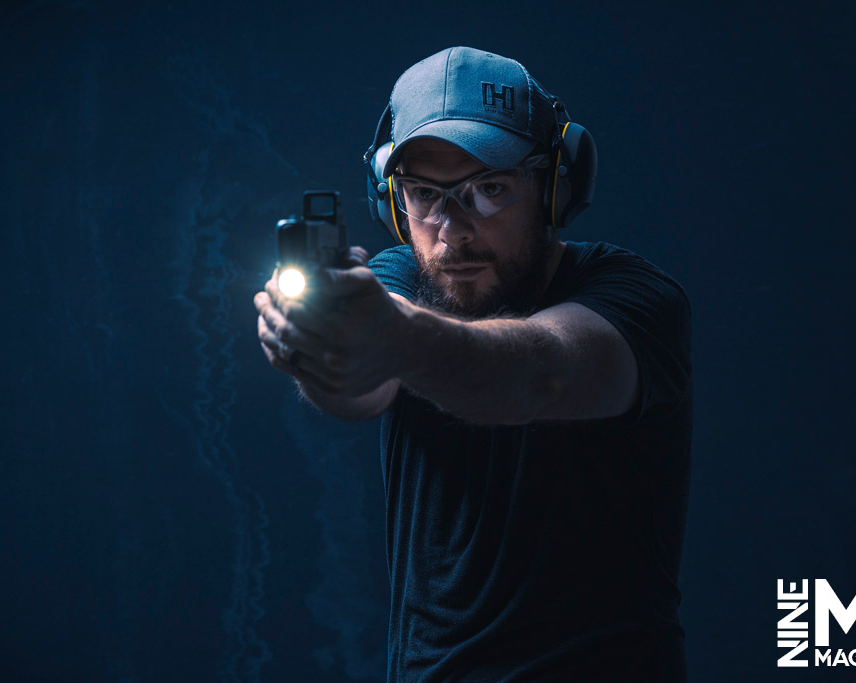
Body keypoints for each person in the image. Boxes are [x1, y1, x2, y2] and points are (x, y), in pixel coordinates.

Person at [254, 46, 693, 682]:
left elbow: (541, 374)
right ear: (392, 201)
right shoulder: (400, 279)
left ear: (554, 186)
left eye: (488, 189)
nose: (452, 230)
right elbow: (360, 388)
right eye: (424, 196)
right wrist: (317, 349)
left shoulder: (637, 297)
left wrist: (396, 338)